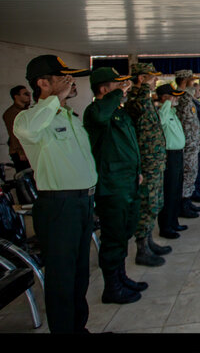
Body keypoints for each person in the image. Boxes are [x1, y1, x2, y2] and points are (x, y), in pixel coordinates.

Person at [13, 55, 96, 333]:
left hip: (82, 202)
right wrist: (53, 99)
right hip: (59, 206)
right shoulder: (28, 119)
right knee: (61, 279)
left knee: (79, 277)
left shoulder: (68, 116)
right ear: (43, 83)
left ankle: (78, 329)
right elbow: (29, 129)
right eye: (64, 78)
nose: (71, 82)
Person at [83, 67, 146, 305]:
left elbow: (130, 143)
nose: (122, 89)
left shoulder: (117, 112)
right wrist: (117, 95)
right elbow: (100, 116)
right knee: (113, 236)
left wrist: (138, 171)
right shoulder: (96, 111)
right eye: (116, 85)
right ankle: (112, 287)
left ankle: (121, 277)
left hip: (128, 180)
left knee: (125, 230)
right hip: (112, 185)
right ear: (104, 89)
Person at [125, 63, 167, 267]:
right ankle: (142, 249)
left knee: (155, 203)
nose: (155, 81)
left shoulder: (146, 100)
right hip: (146, 164)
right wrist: (141, 88)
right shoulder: (136, 101)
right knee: (146, 205)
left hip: (155, 162)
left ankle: (149, 241)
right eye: (151, 78)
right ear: (141, 79)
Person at [156, 84, 187, 239]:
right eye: (173, 96)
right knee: (169, 191)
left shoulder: (172, 112)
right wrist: (167, 102)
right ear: (165, 97)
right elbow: (159, 122)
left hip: (178, 155)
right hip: (169, 156)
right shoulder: (161, 111)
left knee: (176, 189)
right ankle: (166, 226)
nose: (177, 99)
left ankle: (174, 221)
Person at [174, 70, 200, 211]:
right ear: (184, 81)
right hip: (185, 144)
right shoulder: (180, 97)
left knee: (192, 172)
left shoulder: (187, 97)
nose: (194, 84)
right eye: (191, 81)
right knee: (187, 173)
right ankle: (183, 202)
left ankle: (188, 199)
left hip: (192, 142)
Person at [3, 85, 32, 172]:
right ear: (16, 96)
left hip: (28, 149)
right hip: (20, 152)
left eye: (29, 93)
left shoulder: (26, 111)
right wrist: (20, 151)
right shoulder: (11, 113)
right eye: (25, 94)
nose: (29, 96)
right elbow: (13, 133)